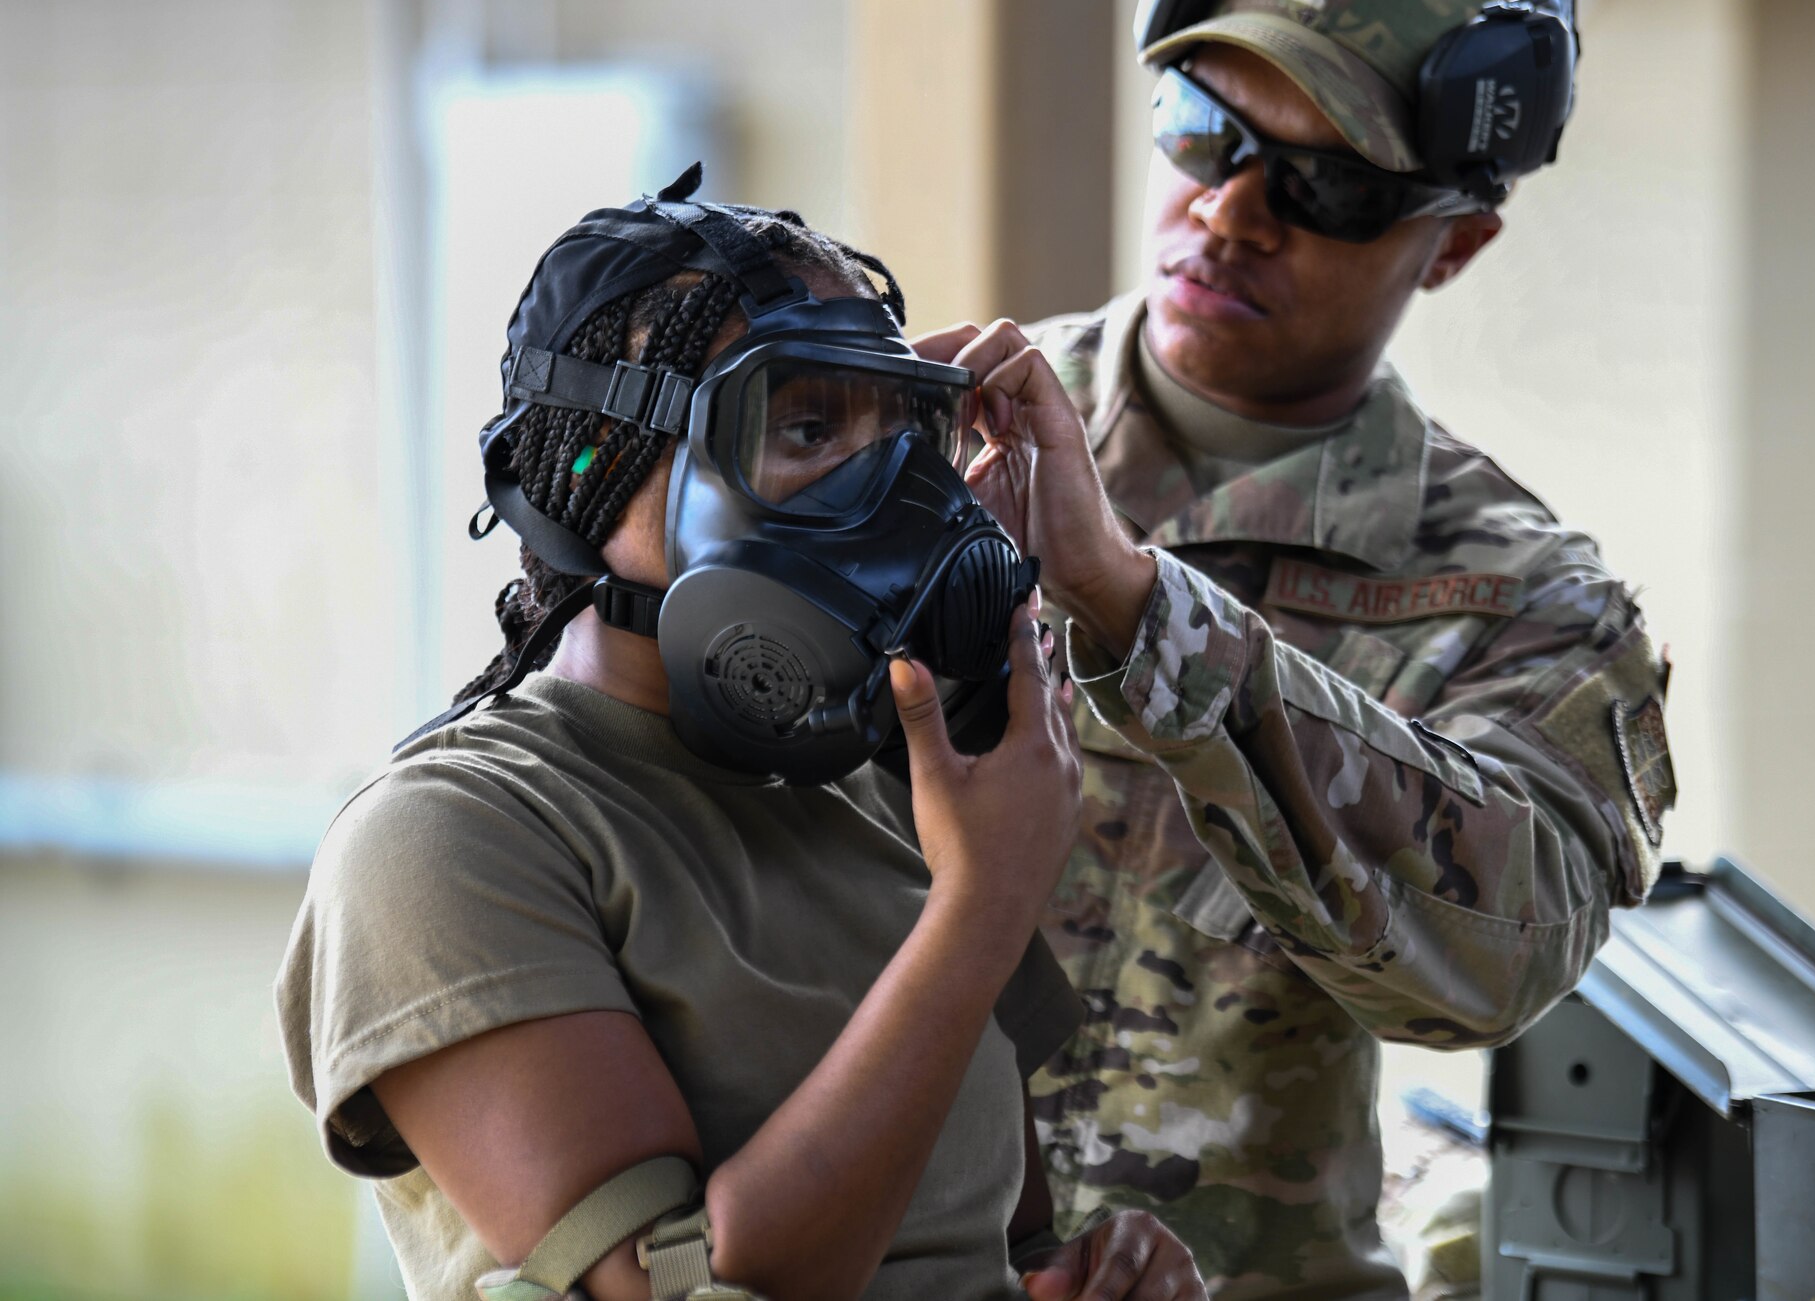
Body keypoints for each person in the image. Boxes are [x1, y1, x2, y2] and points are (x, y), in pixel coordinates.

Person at [275, 179, 1206, 1301]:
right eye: (806, 426)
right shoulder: (444, 842)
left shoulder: (889, 793)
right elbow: (675, 1288)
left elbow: (991, 1246)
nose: (890, 492)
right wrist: (981, 905)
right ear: (593, 467)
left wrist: (1091, 1276)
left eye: (903, 432)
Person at [918, 0, 1679, 1295]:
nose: (1227, 212)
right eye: (1203, 131)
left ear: (1453, 244)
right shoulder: (920, 445)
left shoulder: (1520, 598)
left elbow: (1497, 954)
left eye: (1327, 188)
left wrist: (1140, 610)